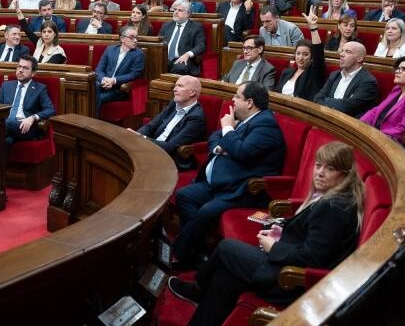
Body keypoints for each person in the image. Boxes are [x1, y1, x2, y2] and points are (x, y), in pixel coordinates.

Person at [168, 141, 363, 325]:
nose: (320, 173)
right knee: (224, 278)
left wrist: (274, 247)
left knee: (227, 247)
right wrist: (281, 228)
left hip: (288, 280)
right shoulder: (335, 199)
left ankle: (197, 289)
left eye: (330, 169)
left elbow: (313, 258)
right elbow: (309, 234)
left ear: (344, 175)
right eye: (318, 165)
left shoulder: (333, 208)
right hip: (284, 265)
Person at [172, 81, 286, 265]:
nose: (232, 99)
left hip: (242, 189)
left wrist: (228, 130)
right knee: (184, 195)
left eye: (237, 96)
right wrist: (222, 146)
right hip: (223, 182)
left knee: (206, 211)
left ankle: (178, 255)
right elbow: (215, 137)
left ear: (249, 102)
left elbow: (242, 151)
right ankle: (198, 252)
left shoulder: (265, 125)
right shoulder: (244, 119)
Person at [133, 75, 206, 169]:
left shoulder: (196, 118)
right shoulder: (174, 104)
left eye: (180, 86)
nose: (174, 89)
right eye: (175, 86)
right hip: (153, 147)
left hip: (170, 159)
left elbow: (170, 147)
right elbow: (151, 126)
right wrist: (135, 137)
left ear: (192, 92)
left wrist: (142, 138)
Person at [360, 56, 405, 144]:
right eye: (398, 68)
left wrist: (373, 136)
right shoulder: (397, 89)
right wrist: (360, 124)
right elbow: (376, 111)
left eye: (403, 69)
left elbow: (404, 129)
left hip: (390, 143)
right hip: (375, 136)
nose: (397, 71)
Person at [0, 55, 56, 150]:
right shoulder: (6, 86)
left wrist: (33, 118)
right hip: (8, 125)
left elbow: (50, 110)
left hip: (25, 127)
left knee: (1, 125)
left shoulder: (40, 88)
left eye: (25, 68)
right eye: (19, 66)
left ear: (33, 73)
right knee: (7, 141)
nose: (20, 70)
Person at [313, 41, 378, 118]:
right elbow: (317, 98)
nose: (341, 54)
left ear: (359, 59)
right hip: (325, 117)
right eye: (342, 51)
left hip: (347, 122)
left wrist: (326, 100)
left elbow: (346, 107)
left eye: (348, 52)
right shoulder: (335, 75)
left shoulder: (368, 81)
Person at [275, 8, 327, 101]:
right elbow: (277, 92)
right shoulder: (287, 72)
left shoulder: (314, 73)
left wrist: (313, 28)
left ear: (311, 58)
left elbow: (318, 54)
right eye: (298, 53)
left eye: (305, 54)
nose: (300, 57)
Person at [94, 26, 145, 115]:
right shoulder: (110, 50)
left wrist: (114, 81)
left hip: (119, 89)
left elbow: (134, 74)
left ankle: (93, 121)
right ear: (122, 39)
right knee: (90, 91)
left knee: (98, 97)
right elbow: (99, 69)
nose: (135, 40)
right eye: (131, 37)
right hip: (103, 84)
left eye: (136, 37)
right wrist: (103, 80)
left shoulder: (138, 54)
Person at [160, 0, 205, 76]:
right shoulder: (166, 26)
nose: (176, 12)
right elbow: (159, 42)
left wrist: (188, 54)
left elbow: (201, 46)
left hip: (183, 59)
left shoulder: (196, 27)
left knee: (180, 68)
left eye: (180, 10)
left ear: (188, 14)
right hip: (165, 59)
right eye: (175, 9)